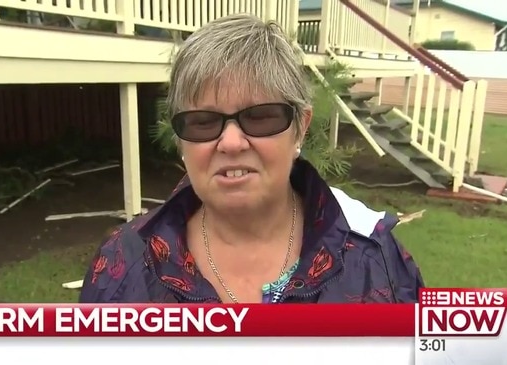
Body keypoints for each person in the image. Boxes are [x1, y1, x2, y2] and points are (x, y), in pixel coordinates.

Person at [79, 14, 424, 304]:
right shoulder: (123, 265)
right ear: (181, 139)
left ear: (300, 128)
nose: (230, 142)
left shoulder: (375, 258)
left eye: (260, 117)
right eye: (203, 121)